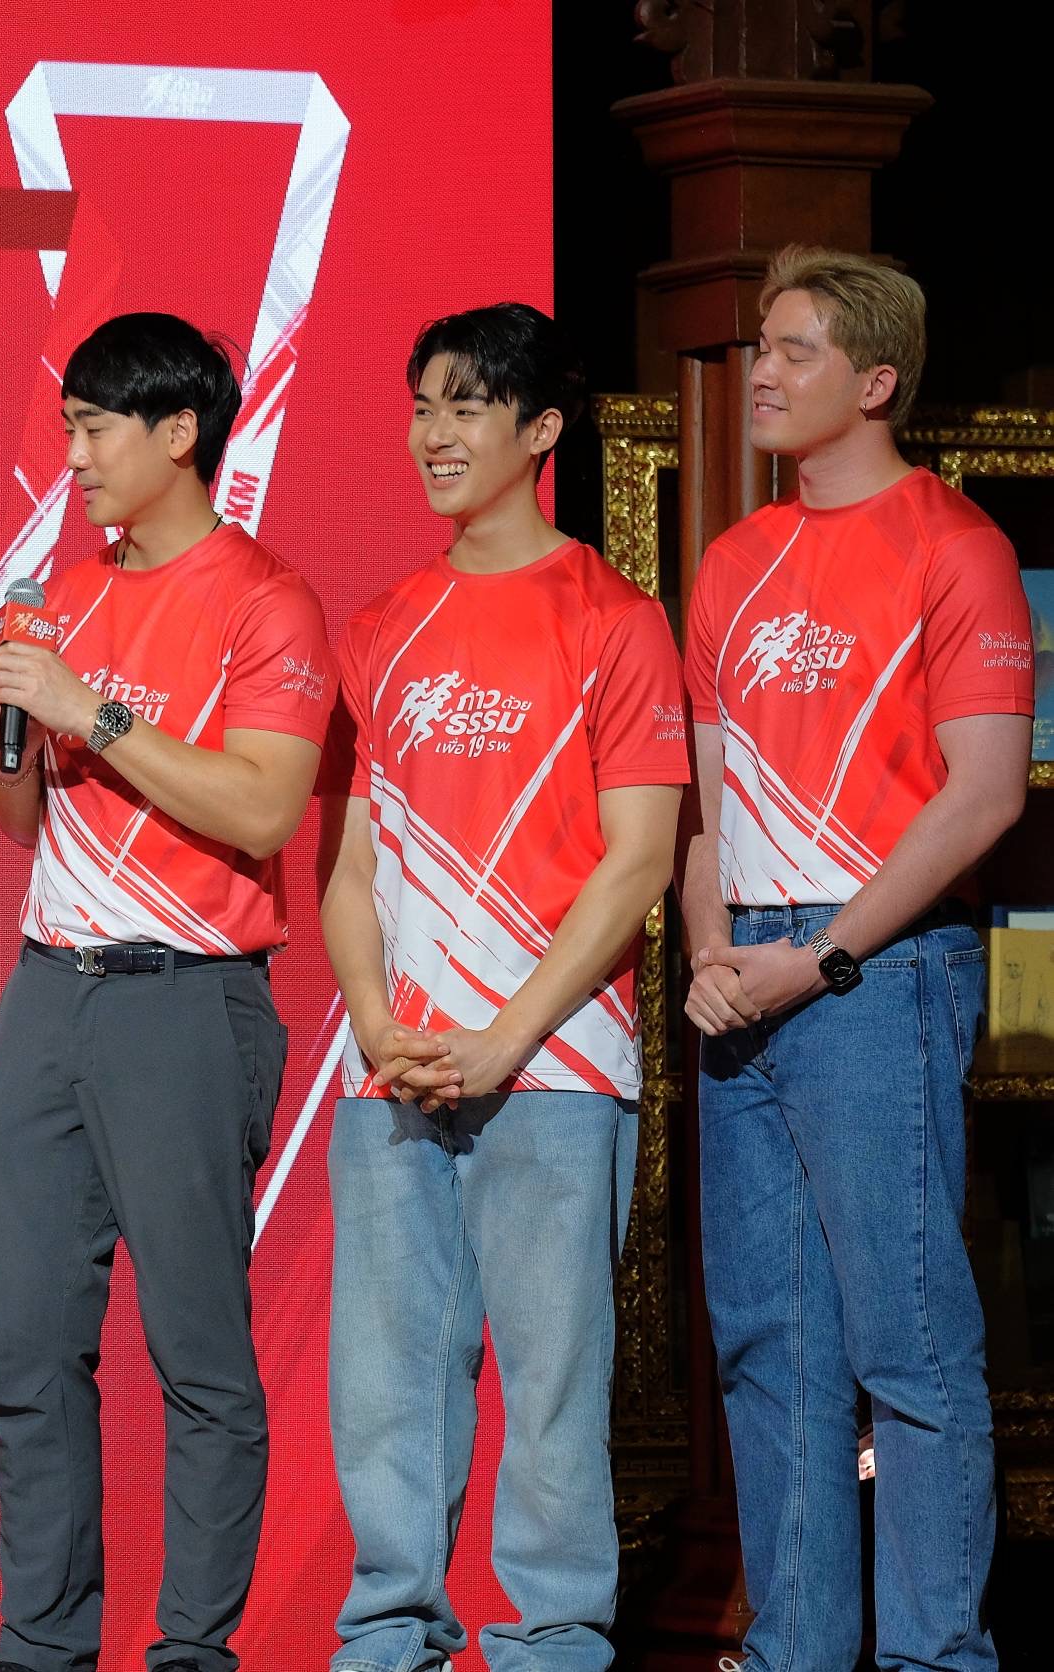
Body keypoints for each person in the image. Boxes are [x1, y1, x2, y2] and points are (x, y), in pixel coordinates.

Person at [316, 303, 686, 1672]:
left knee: (554, 1394)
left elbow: (639, 859)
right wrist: (376, 1022)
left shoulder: (616, 621)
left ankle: (553, 1645)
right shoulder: (382, 626)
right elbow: (350, 861)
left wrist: (505, 1038)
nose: (434, 433)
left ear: (542, 430)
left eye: (466, 405)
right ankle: (388, 1642)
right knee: (387, 1391)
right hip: (397, 1068)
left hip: (558, 1068)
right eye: (423, 404)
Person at [0, 311, 331, 1672]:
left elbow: (264, 805)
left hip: (186, 999)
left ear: (179, 432)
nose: (72, 456)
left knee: (197, 1353)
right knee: (26, 1350)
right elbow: (22, 822)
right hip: (47, 993)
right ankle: (42, 1644)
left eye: (92, 427)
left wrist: (92, 713)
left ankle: (191, 1650)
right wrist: (10, 740)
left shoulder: (265, 600)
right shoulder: (62, 596)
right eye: (66, 427)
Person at [683, 247, 1028, 1672]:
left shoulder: (956, 545)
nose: (761, 372)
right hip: (746, 968)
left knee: (910, 1344)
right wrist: (711, 945)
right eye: (760, 345)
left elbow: (985, 794)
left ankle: (937, 1656)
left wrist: (818, 956)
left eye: (796, 350)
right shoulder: (732, 560)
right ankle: (797, 1652)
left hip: (876, 970)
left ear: (876, 381)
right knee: (772, 1345)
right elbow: (709, 801)